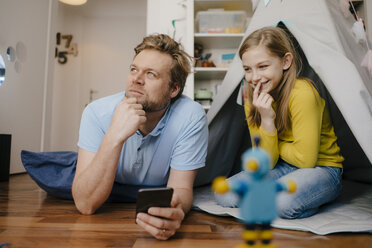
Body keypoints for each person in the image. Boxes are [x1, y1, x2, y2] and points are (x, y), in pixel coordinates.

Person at [72, 33, 208, 240]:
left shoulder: (191, 116)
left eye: (151, 74)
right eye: (134, 70)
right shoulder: (96, 112)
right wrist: (115, 135)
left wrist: (173, 210)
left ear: (173, 89)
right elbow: (85, 204)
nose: (136, 79)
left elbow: (181, 188)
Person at [216, 26, 344, 219]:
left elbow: (305, 160)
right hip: (282, 167)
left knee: (282, 203)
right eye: (247, 69)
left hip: (322, 168)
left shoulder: (303, 93)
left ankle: (314, 195)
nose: (254, 77)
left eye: (263, 66)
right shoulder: (252, 100)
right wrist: (267, 120)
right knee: (225, 192)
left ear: (285, 62)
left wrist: (273, 140)